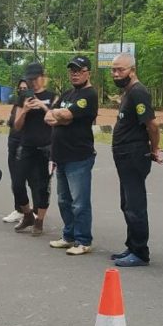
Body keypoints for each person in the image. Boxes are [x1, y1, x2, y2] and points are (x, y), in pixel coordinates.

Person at [109, 53, 163, 267]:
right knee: (126, 203)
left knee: (135, 204)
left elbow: (152, 125)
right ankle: (132, 246)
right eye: (113, 70)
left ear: (132, 70)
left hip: (134, 155)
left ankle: (140, 252)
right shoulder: (128, 92)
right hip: (124, 156)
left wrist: (155, 148)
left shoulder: (138, 92)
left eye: (120, 70)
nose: (116, 74)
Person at [44, 56, 98, 255]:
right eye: (72, 71)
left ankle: (83, 240)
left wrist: (62, 115)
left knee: (79, 202)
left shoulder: (89, 95)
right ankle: (69, 236)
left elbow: (66, 115)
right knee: (64, 200)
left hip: (79, 156)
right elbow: (48, 116)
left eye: (79, 71)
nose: (74, 74)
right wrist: (62, 116)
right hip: (61, 155)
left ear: (87, 72)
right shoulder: (67, 94)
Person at [12, 62, 56, 236]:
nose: (33, 82)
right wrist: (25, 110)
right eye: (30, 79)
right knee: (17, 183)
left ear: (43, 77)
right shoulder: (24, 97)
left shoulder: (53, 96)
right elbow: (17, 126)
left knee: (43, 185)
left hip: (46, 146)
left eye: (36, 78)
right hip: (27, 145)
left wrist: (43, 106)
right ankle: (28, 214)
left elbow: (55, 119)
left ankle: (39, 220)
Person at [2, 79, 33, 224]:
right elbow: (12, 124)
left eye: (25, 88)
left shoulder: (33, 105)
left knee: (32, 180)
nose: (22, 91)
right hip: (13, 144)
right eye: (20, 88)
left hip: (26, 145)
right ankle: (19, 209)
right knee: (15, 180)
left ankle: (36, 211)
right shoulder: (16, 104)